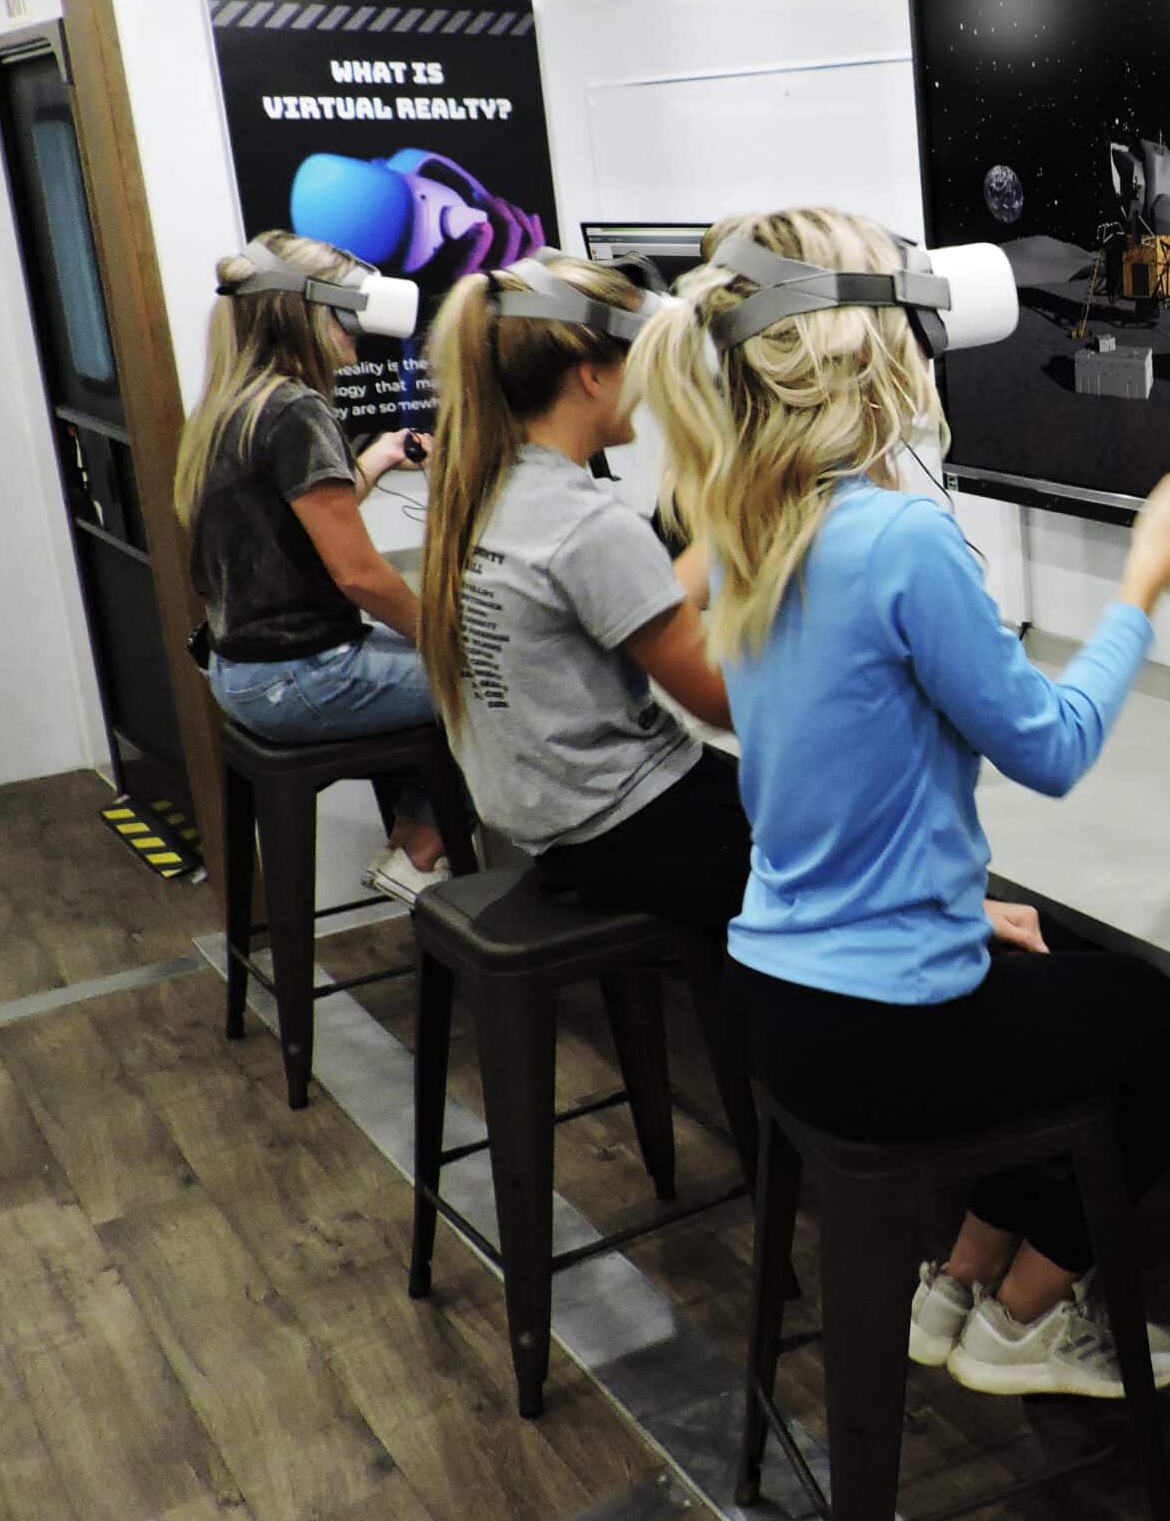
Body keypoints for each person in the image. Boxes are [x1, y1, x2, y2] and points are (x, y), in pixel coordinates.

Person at [627, 205, 1170, 1398]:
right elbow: (1054, 751)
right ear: (876, 348)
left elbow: (837, 782)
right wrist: (1142, 586)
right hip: (882, 1034)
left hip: (777, 1000)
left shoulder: (749, 520)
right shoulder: (903, 535)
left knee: (1049, 962)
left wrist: (958, 915)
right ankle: (1030, 1311)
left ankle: (958, 1276)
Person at [414, 251, 759, 1157]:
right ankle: (825, 1123)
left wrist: (726, 535)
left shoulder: (485, 485)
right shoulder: (588, 520)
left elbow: (640, 600)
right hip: (621, 823)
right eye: (640, 371)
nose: (649, 395)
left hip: (544, 817)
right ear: (591, 373)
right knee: (846, 848)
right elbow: (719, 702)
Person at [176, 231, 448, 902]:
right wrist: (450, 644)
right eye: (348, 318)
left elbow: (298, 524)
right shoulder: (297, 407)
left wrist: (377, 459)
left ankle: (409, 840)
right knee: (499, 683)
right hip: (302, 675)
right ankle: (420, 852)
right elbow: (357, 574)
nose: (359, 335)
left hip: (243, 673)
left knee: (434, 667)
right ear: (307, 313)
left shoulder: (234, 404)